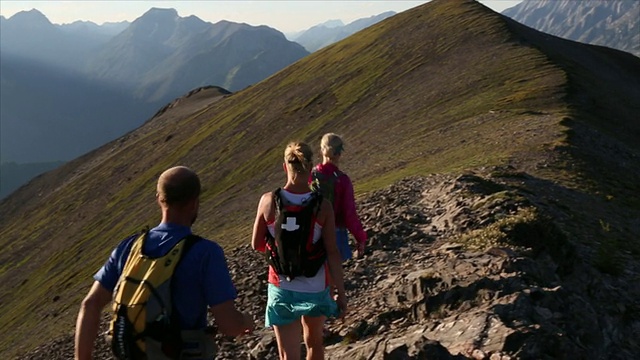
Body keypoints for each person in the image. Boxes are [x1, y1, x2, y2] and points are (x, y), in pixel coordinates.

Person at [74, 166, 254, 360]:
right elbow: (229, 325)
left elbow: (90, 304)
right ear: (194, 203)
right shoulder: (205, 253)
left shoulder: (129, 247)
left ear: (159, 199)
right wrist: (246, 322)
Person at [252, 142, 348, 360]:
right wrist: (340, 294)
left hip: (281, 286)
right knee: (314, 343)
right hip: (315, 286)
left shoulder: (268, 201)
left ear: (284, 167)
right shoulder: (322, 206)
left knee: (288, 356)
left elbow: (256, 244)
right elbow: (332, 252)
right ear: (311, 167)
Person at [311, 133, 367, 261]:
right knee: (335, 276)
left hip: (312, 234)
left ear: (321, 150)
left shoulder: (310, 176)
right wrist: (360, 238)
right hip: (336, 234)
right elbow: (349, 214)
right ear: (340, 153)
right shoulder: (342, 180)